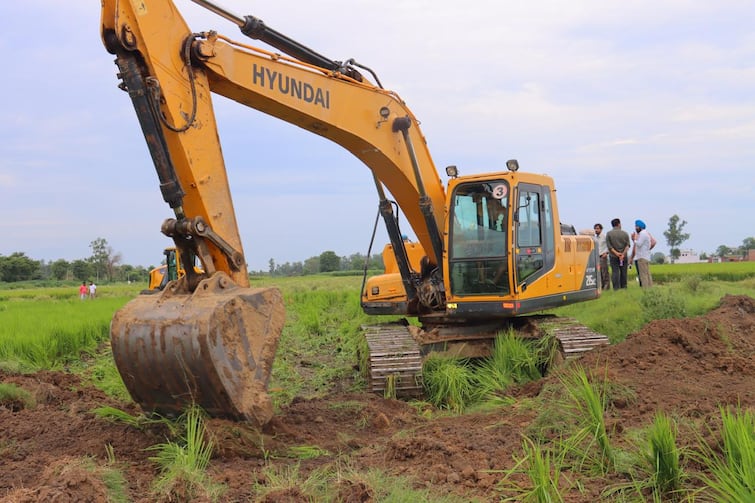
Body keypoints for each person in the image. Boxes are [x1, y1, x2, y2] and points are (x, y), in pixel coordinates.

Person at [605, 218, 630, 289]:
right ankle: (624, 287)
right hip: (623, 257)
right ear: (619, 224)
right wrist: (622, 254)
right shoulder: (625, 233)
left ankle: (616, 288)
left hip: (613, 256)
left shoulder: (609, 234)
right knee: (623, 272)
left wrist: (617, 254)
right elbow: (627, 245)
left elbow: (609, 246)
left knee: (615, 272)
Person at [631, 220, 653, 287]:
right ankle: (650, 288)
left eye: (636, 226)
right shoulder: (646, 233)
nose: (635, 228)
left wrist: (633, 239)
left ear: (640, 227)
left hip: (641, 257)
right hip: (645, 256)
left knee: (643, 275)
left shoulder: (642, 234)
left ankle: (645, 289)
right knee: (647, 274)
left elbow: (639, 244)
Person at [593, 223, 610, 290]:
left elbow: (609, 246)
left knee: (605, 272)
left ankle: (607, 286)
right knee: (599, 272)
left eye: (597, 229)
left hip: (603, 256)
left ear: (601, 229)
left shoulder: (604, 237)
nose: (596, 230)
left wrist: (606, 253)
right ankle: (602, 286)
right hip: (597, 257)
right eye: (595, 229)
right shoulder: (595, 238)